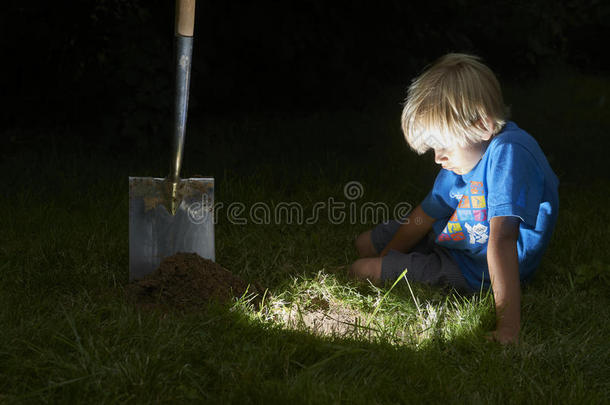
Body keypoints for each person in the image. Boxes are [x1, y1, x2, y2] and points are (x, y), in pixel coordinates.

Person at [349, 53, 559, 345]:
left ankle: (395, 266)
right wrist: (387, 257)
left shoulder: (510, 154)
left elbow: (503, 239)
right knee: (365, 244)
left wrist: (508, 329)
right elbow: (426, 213)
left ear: (483, 127)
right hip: (454, 237)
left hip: (474, 269)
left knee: (362, 271)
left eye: (443, 145)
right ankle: (391, 260)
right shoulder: (462, 161)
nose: (438, 158)